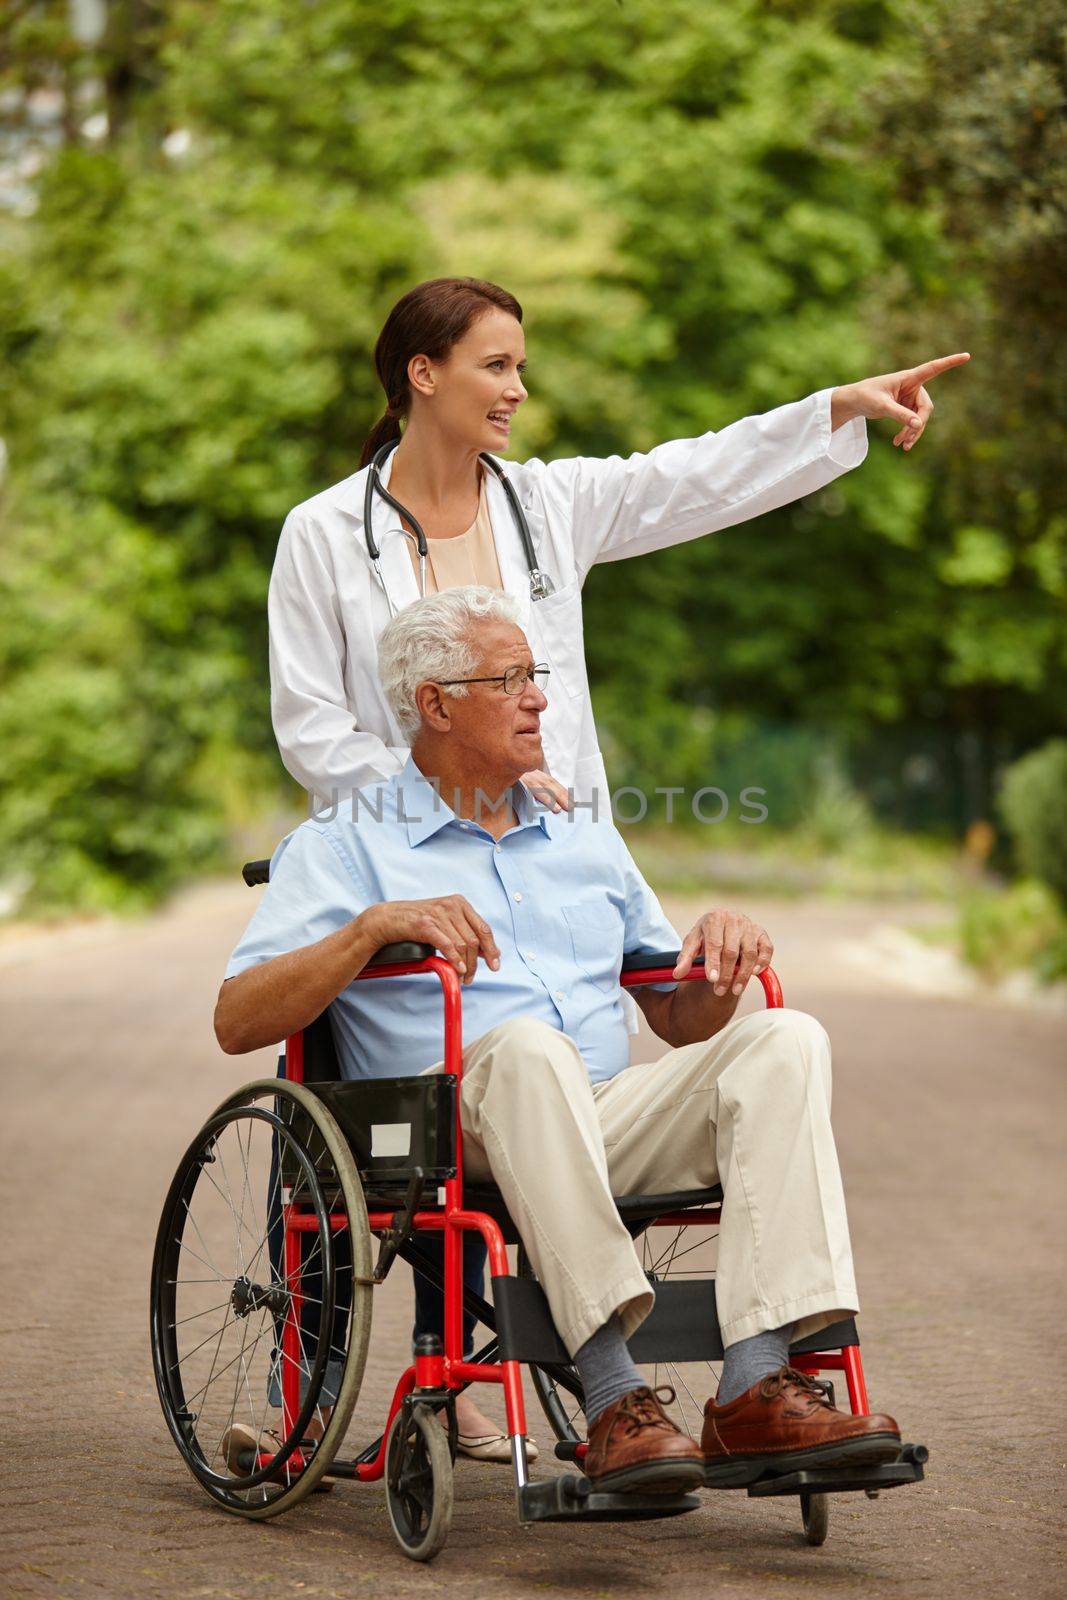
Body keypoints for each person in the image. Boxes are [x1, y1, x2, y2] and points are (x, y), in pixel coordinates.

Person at [265, 275, 968, 1448]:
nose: (518, 389)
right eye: (495, 364)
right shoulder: (323, 533)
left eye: (520, 365)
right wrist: (434, 800)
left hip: (554, 847)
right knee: (504, 1056)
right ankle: (579, 1388)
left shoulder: (547, 506)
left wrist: (834, 410)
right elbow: (309, 726)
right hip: (407, 864)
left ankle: (751, 1379)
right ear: (420, 375)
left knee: (748, 1039)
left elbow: (690, 475)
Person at [217, 589, 902, 1494]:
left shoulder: (579, 830)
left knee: (784, 1036)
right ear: (435, 704)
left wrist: (717, 964)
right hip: (444, 1122)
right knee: (524, 1048)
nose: (539, 697)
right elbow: (236, 1018)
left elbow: (674, 1013)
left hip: (597, 1113)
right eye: (509, 680)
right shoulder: (345, 844)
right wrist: (370, 929)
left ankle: (755, 1387)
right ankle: (614, 1396)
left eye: (534, 676)